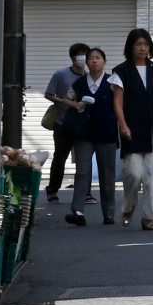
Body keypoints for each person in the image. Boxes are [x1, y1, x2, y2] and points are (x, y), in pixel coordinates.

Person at [111, 28, 153, 230]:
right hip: (133, 128)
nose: (143, 48)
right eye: (138, 44)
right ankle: (128, 206)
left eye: (145, 44)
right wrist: (123, 125)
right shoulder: (121, 71)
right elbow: (117, 102)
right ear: (130, 47)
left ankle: (149, 216)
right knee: (133, 174)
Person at [60, 47, 119, 226]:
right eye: (91, 58)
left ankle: (109, 213)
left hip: (107, 132)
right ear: (86, 62)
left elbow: (120, 104)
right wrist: (76, 104)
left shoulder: (112, 82)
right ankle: (77, 211)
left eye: (98, 58)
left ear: (104, 62)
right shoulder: (79, 83)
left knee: (107, 175)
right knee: (82, 172)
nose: (94, 61)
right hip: (83, 133)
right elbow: (66, 99)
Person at [43, 44, 91, 203]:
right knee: (60, 157)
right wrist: (64, 102)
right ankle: (53, 189)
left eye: (85, 54)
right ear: (72, 57)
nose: (82, 58)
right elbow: (48, 94)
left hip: (83, 124)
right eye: (79, 54)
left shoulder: (90, 76)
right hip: (62, 122)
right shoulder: (61, 74)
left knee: (84, 160)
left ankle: (86, 192)